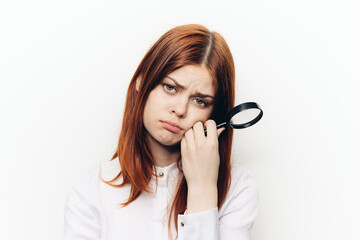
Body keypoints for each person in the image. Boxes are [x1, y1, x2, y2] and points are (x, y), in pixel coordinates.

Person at [63, 24, 258, 240]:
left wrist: (202, 188)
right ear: (141, 81)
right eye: (170, 87)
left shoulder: (237, 189)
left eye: (199, 101)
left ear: (214, 115)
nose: (180, 109)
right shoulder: (89, 196)